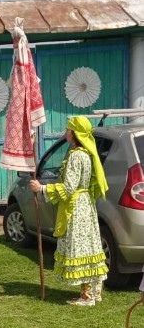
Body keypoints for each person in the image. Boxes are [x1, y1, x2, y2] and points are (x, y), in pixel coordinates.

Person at [29, 116, 108, 306]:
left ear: (74, 133)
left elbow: (69, 187)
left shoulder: (76, 155)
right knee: (89, 246)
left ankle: (87, 296)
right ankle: (94, 292)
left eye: (68, 129)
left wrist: (42, 188)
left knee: (80, 247)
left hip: (76, 207)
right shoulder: (87, 153)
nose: (65, 132)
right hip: (85, 204)